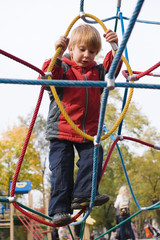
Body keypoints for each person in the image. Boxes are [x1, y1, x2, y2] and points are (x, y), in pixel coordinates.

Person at [40, 24, 122, 225]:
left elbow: (113, 69)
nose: (87, 55)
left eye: (92, 52)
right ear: (71, 48)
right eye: (82, 50)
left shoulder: (97, 71)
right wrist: (57, 55)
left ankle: (83, 194)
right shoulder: (64, 68)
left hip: (88, 131)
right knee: (61, 169)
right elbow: (47, 77)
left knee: (94, 157)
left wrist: (114, 47)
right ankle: (59, 209)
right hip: (62, 128)